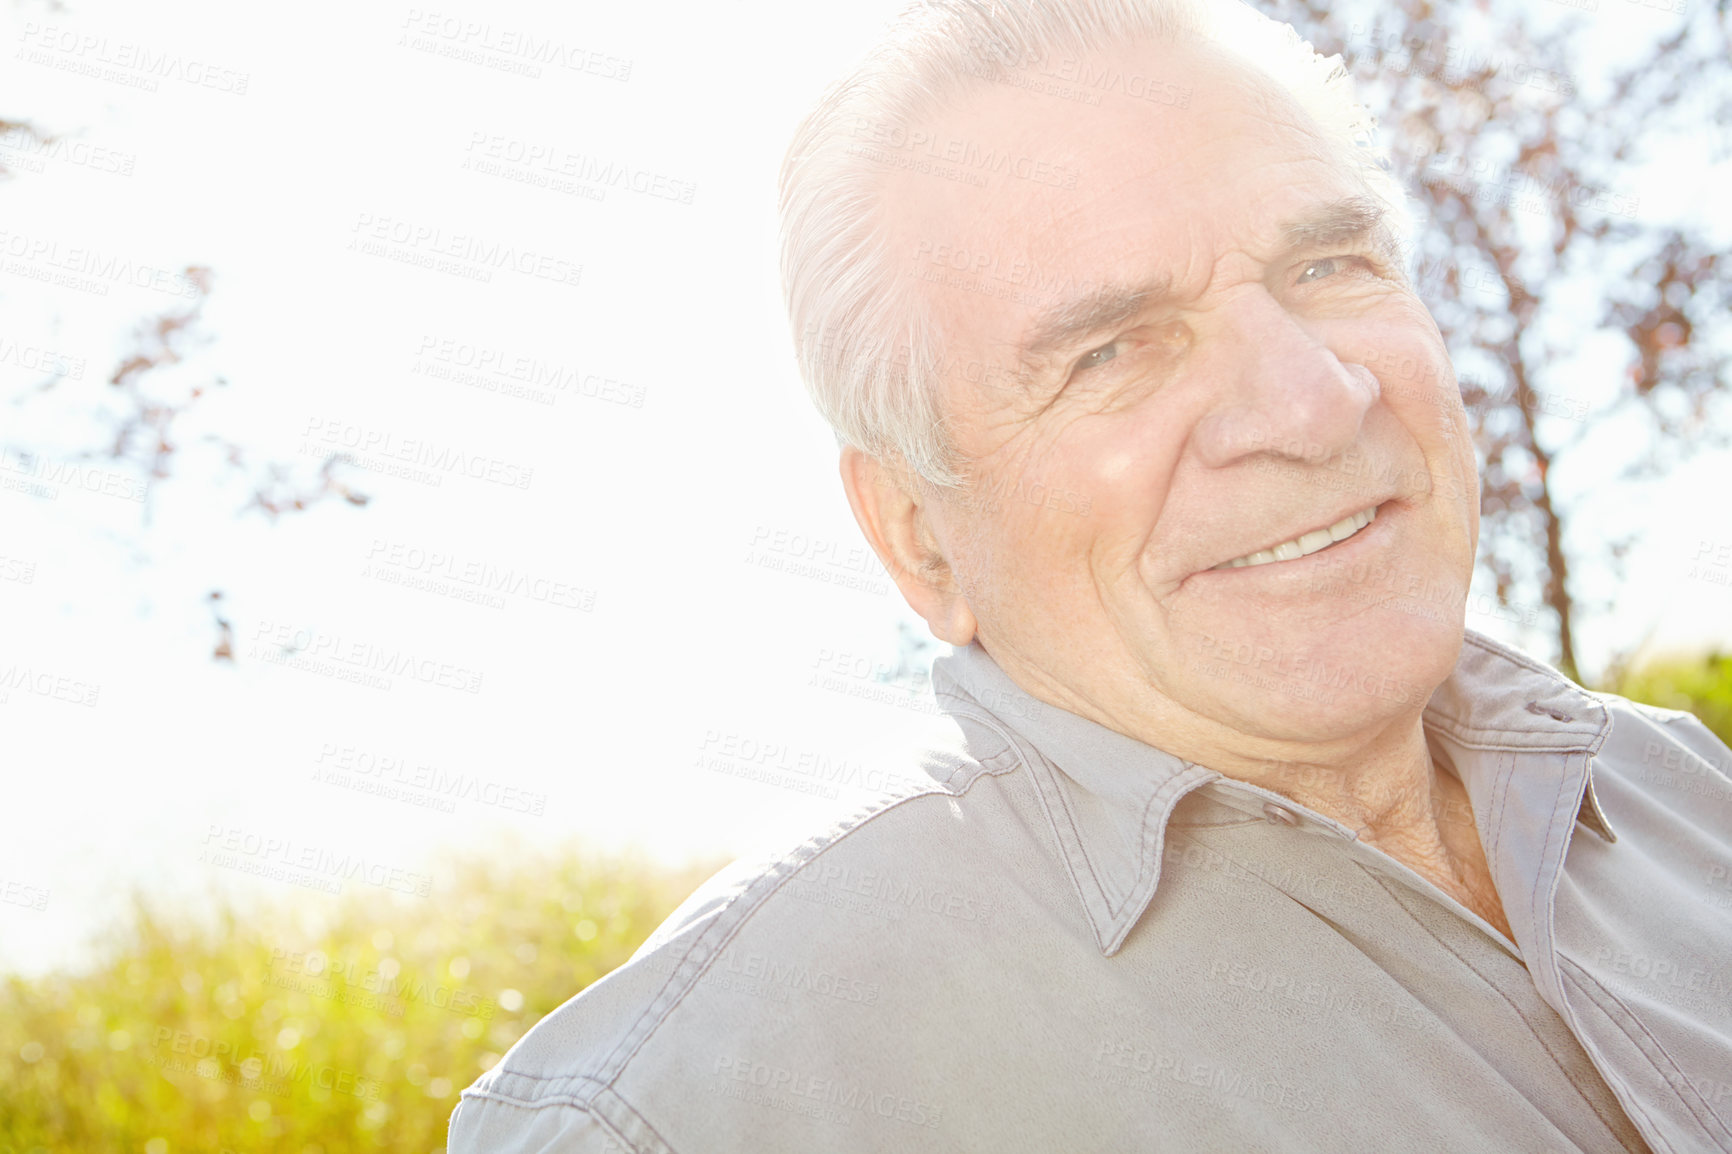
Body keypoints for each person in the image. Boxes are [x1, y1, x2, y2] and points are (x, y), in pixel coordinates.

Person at [449, 1, 1732, 1149]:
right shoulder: (694, 1104)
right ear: (918, 536)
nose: (1311, 398)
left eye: (1325, 266)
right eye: (1113, 350)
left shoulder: (1685, 791)